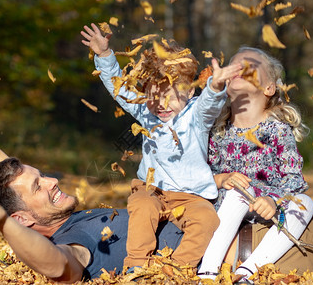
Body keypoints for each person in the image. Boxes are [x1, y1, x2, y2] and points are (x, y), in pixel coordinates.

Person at [0, 94, 184, 282]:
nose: (53, 181)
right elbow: (60, 267)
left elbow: (12, 186)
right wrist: (3, 223)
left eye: (44, 176)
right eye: (40, 186)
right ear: (20, 219)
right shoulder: (73, 240)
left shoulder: (54, 216)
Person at [81, 23, 243, 270]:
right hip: (152, 189)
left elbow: (210, 104)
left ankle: (177, 269)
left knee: (207, 218)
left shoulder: (196, 115)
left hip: (191, 196)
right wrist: (104, 56)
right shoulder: (147, 113)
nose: (161, 105)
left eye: (170, 96)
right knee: (142, 205)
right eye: (154, 96)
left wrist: (216, 86)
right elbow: (120, 90)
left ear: (189, 92)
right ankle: (136, 265)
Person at [197, 47, 313, 281]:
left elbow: (293, 180)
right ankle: (207, 271)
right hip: (227, 205)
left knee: (305, 202)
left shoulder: (278, 130)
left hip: (267, 207)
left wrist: (273, 200)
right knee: (241, 188)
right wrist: (220, 180)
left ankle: (248, 271)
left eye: (249, 65)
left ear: (269, 87)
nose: (239, 68)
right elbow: (199, 175)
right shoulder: (217, 130)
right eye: (233, 66)